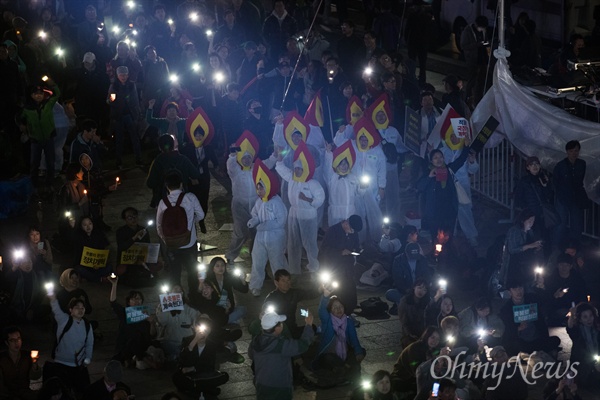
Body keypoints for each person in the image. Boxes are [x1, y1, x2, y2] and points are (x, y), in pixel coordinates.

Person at [225, 134, 277, 264]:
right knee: (240, 232)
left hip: (255, 205)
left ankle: (256, 256)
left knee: (256, 231)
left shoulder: (257, 167)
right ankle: (230, 256)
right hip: (239, 205)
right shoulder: (236, 170)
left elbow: (269, 162)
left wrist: (276, 154)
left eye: (249, 157)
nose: (247, 160)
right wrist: (232, 155)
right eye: (244, 157)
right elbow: (230, 165)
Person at [275, 145, 325, 275]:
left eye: (300, 169)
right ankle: (294, 269)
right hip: (293, 213)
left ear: (305, 170)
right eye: (296, 168)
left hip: (307, 215)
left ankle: (314, 266)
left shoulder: (313, 183)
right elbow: (280, 168)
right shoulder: (292, 179)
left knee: (309, 243)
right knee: (293, 242)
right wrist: (279, 157)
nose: (297, 171)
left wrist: (307, 199)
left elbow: (320, 199)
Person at [249, 310, 314, 399]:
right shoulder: (280, 345)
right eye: (280, 323)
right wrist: (308, 325)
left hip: (261, 384)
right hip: (279, 386)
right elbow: (303, 345)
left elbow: (251, 355)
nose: (282, 324)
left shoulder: (256, 341)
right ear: (277, 328)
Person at [156, 170, 205, 290]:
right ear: (181, 184)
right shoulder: (190, 197)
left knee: (174, 274)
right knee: (192, 271)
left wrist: (167, 239)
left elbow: (159, 225)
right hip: (189, 242)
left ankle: (177, 301)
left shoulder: (163, 202)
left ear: (167, 187)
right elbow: (201, 215)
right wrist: (191, 224)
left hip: (172, 246)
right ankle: (194, 295)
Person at [247, 161, 288, 297]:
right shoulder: (259, 202)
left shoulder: (277, 202)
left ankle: (283, 285)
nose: (259, 191)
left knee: (277, 262)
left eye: (261, 188)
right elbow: (255, 214)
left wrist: (263, 225)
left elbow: (281, 221)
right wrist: (253, 221)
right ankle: (255, 285)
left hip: (275, 237)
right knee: (257, 260)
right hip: (261, 237)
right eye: (258, 188)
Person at [417, 143, 471, 238]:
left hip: (449, 210)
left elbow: (461, 160)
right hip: (434, 211)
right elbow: (420, 186)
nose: (439, 160)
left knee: (447, 236)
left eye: (440, 157)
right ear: (431, 160)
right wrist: (429, 177)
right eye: (435, 158)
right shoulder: (428, 172)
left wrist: (466, 146)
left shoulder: (449, 169)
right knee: (436, 237)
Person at [314, 288, 366, 385]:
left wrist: (358, 352)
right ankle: (348, 370)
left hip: (344, 352)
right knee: (328, 358)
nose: (338, 309)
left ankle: (345, 371)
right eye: (335, 307)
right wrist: (325, 296)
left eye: (340, 306)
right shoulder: (328, 321)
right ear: (330, 310)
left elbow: (354, 339)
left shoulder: (348, 322)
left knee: (361, 351)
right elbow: (321, 311)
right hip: (328, 354)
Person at [45, 294, 94, 396]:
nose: (80, 310)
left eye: (82, 308)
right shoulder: (64, 320)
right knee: (63, 394)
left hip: (78, 365)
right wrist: (52, 298)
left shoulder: (87, 325)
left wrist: (87, 358)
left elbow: (89, 343)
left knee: (84, 393)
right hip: (61, 364)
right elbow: (56, 309)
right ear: (70, 310)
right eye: (77, 308)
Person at [108, 275, 160, 369]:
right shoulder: (125, 313)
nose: (137, 301)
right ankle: (142, 360)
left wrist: (151, 322)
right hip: (126, 345)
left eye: (139, 299)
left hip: (141, 345)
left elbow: (152, 335)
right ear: (129, 302)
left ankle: (132, 359)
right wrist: (114, 284)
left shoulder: (144, 315)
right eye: (134, 299)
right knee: (130, 343)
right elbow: (113, 302)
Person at [172, 315, 230, 400]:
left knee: (224, 376)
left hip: (203, 374)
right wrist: (194, 341)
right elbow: (183, 360)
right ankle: (206, 389)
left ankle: (196, 389)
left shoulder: (212, 344)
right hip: (190, 376)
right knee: (177, 377)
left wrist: (193, 368)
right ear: (195, 328)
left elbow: (209, 364)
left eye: (206, 330)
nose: (203, 333)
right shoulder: (187, 340)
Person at [498, 279, 561, 356]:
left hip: (537, 338)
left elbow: (545, 300)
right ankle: (537, 353)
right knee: (515, 346)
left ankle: (533, 353)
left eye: (520, 288)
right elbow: (507, 329)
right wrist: (518, 328)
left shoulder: (531, 298)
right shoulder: (506, 309)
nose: (519, 291)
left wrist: (551, 294)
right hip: (522, 341)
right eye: (515, 289)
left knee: (556, 340)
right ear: (509, 292)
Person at [19, 79, 60, 187]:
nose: (38, 96)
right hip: (35, 140)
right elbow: (20, 119)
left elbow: (57, 93)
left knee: (50, 162)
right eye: (35, 94)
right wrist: (22, 126)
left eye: (40, 94)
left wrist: (51, 82)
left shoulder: (48, 104)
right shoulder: (27, 109)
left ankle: (49, 184)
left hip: (48, 138)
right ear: (31, 95)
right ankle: (33, 186)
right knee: (34, 164)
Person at [318, 216, 362, 314]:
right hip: (334, 267)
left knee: (349, 290)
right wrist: (340, 252)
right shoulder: (333, 231)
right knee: (337, 291)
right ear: (346, 223)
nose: (352, 231)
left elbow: (356, 246)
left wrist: (356, 251)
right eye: (351, 229)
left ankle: (350, 311)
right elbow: (324, 250)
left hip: (348, 267)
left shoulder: (353, 232)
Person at [146, 134, 201, 208]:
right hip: (182, 198)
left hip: (164, 200)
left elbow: (150, 183)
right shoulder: (183, 159)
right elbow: (195, 174)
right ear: (173, 145)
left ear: (160, 147)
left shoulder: (158, 161)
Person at [264, 269, 320, 338]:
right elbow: (265, 312)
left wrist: (320, 289)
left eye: (288, 280)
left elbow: (309, 294)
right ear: (276, 283)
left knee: (312, 327)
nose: (286, 283)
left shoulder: (294, 293)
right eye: (283, 281)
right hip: (278, 331)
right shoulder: (271, 298)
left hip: (292, 328)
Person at [115, 206, 162, 287]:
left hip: (141, 259)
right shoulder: (120, 232)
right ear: (125, 219)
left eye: (135, 216)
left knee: (158, 265)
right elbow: (122, 248)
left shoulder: (143, 229)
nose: (133, 219)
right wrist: (134, 238)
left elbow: (148, 246)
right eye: (129, 217)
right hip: (128, 260)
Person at [553, 140, 588, 246]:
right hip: (563, 197)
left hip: (576, 197)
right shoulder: (560, 166)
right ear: (567, 152)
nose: (574, 153)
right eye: (572, 151)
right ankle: (557, 246)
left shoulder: (582, 164)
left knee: (576, 224)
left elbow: (580, 180)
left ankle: (575, 246)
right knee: (560, 223)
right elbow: (555, 182)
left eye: (576, 151)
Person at [514, 156, 556, 242]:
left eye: (536, 164)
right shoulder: (524, 181)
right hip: (530, 213)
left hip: (542, 212)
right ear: (528, 167)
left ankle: (546, 252)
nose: (535, 166)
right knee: (531, 235)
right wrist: (525, 210)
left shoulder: (543, 178)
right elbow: (518, 198)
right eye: (532, 164)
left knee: (545, 234)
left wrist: (545, 186)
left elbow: (549, 196)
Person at [107, 65, 142, 169]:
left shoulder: (131, 85)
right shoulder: (114, 86)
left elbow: (135, 100)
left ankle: (138, 159)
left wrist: (138, 113)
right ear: (118, 76)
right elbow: (109, 100)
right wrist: (111, 100)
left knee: (134, 138)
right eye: (121, 75)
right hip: (118, 115)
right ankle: (118, 162)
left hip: (129, 114)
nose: (123, 77)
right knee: (119, 139)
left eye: (125, 74)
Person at [391, 326, 441, 396]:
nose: (435, 341)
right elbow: (418, 371)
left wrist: (434, 395)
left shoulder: (432, 352)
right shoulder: (415, 348)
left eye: (438, 339)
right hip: (403, 383)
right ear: (427, 336)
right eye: (432, 337)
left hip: (414, 384)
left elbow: (435, 376)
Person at [155, 284, 200, 361]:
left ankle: (177, 357)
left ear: (182, 294)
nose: (177, 292)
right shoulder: (164, 308)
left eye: (180, 291)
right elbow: (161, 322)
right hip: (170, 342)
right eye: (175, 290)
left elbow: (197, 319)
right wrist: (164, 308)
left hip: (185, 342)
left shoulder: (189, 308)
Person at [386, 242, 432, 315]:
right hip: (405, 291)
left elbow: (427, 275)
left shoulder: (422, 259)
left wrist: (423, 288)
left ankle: (412, 305)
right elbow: (398, 280)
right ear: (406, 253)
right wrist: (408, 290)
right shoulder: (398, 260)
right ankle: (407, 305)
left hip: (420, 289)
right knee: (390, 293)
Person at [542, 253, 587, 326]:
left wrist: (577, 308)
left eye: (566, 265)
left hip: (575, 310)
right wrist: (555, 296)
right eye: (561, 265)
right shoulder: (551, 280)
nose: (564, 267)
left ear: (571, 266)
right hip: (557, 311)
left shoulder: (577, 279)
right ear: (557, 265)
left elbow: (583, 295)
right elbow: (546, 300)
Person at [502, 208, 544, 285]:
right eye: (529, 221)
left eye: (533, 221)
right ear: (523, 220)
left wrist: (536, 247)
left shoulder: (529, 231)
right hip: (515, 264)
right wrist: (530, 246)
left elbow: (531, 247)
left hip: (528, 264)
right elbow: (512, 250)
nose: (531, 224)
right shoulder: (514, 231)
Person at [0, 326, 41, 400]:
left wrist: (34, 365)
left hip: (25, 393)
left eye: (18, 339)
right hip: (7, 395)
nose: (16, 342)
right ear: (7, 342)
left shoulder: (27, 356)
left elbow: (35, 377)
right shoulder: (2, 358)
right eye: (12, 340)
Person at [204, 257, 248, 325]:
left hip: (228, 307)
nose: (220, 268)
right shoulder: (208, 280)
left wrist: (243, 280)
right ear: (212, 268)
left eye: (222, 265)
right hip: (215, 308)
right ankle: (226, 321)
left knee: (243, 309)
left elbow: (244, 290)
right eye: (217, 266)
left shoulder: (228, 277)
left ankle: (226, 320)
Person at [566, 302, 600, 389]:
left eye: (590, 315)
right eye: (585, 317)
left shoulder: (596, 329)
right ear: (580, 319)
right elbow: (570, 328)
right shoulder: (578, 332)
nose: (589, 319)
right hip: (583, 364)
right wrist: (572, 314)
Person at [73, 216, 112, 282]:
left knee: (109, 267)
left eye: (90, 224)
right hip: (85, 266)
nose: (88, 227)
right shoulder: (78, 238)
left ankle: (91, 278)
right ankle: (100, 279)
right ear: (81, 226)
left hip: (98, 265)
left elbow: (105, 249)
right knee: (78, 269)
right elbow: (78, 256)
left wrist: (99, 263)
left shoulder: (99, 234)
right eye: (85, 225)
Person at [398, 279, 430, 347]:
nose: (421, 291)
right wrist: (409, 334)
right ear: (414, 287)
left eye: (425, 290)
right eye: (419, 287)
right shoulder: (405, 301)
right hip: (410, 331)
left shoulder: (427, 302)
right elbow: (404, 321)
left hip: (423, 331)